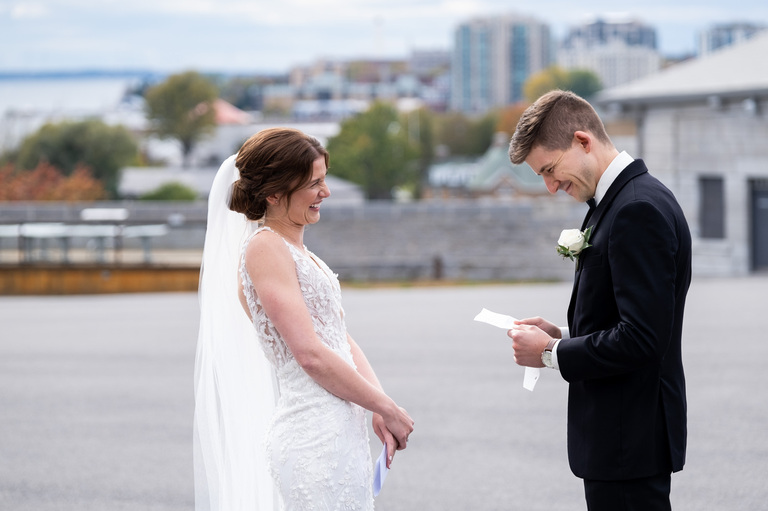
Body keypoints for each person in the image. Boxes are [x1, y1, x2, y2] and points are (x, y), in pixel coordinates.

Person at [194, 127, 414, 511]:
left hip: (339, 435)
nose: (325, 193)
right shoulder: (265, 248)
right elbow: (309, 354)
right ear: (274, 193)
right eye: (314, 184)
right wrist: (388, 409)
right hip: (312, 439)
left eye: (323, 181)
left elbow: (340, 339)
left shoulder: (297, 250)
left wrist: (379, 404)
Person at [506, 90, 691, 511]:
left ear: (582, 141)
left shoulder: (636, 209)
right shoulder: (618, 202)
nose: (551, 186)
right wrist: (566, 333)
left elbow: (643, 339)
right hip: (625, 439)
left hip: (629, 438)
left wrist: (552, 353)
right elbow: (633, 315)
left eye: (550, 170)